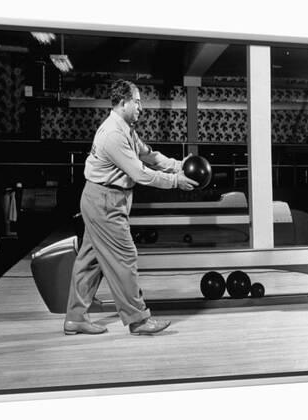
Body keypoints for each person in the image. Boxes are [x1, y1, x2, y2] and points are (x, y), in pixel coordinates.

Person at [64, 79, 198, 336]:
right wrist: (176, 181)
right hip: (105, 202)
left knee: (90, 262)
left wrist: (179, 165)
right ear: (123, 102)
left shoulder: (125, 129)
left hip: (101, 199)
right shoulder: (113, 134)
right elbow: (141, 173)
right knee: (125, 258)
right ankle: (138, 320)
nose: (140, 107)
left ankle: (75, 318)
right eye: (137, 102)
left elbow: (149, 155)